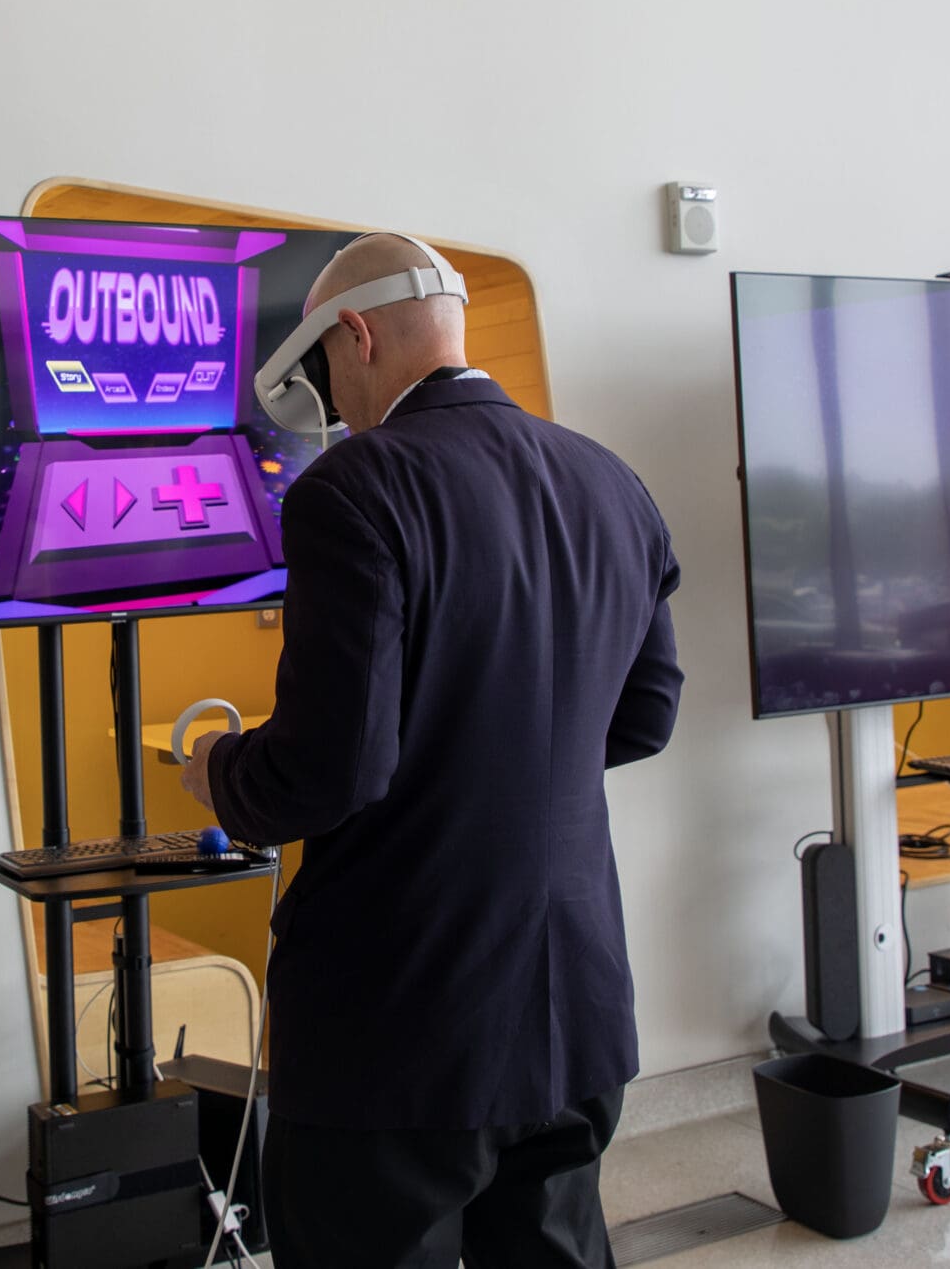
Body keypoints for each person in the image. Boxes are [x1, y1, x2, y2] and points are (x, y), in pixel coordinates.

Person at [182, 232, 682, 1269]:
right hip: (577, 1009)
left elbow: (332, 769)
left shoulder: (354, 488)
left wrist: (221, 773)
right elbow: (642, 717)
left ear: (353, 334)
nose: (333, 404)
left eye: (322, 373)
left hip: (400, 1025)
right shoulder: (609, 480)